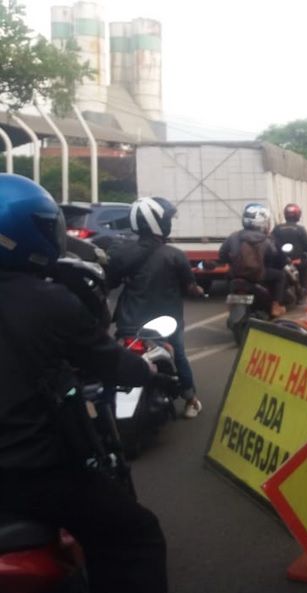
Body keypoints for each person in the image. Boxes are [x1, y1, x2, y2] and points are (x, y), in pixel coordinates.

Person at [0, 174, 168, 593]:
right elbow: (110, 362)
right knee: (138, 534)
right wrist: (144, 369)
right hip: (30, 471)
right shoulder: (47, 298)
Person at [107, 197, 204, 419]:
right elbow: (190, 287)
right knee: (179, 356)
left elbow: (110, 282)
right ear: (158, 222)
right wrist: (197, 291)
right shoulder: (174, 255)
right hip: (165, 325)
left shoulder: (122, 252)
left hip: (129, 323)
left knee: (117, 357)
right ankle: (191, 399)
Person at [219, 203, 287, 318]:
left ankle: (232, 304)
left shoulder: (234, 236)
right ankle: (276, 305)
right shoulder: (266, 239)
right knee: (281, 276)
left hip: (236, 275)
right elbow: (276, 258)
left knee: (228, 277)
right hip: (258, 276)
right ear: (263, 221)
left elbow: (222, 254)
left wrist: (233, 263)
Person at [272, 203, 307, 289]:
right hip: (297, 261)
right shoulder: (300, 229)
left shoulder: (277, 228)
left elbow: (271, 242)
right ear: (297, 215)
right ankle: (304, 288)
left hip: (280, 261)